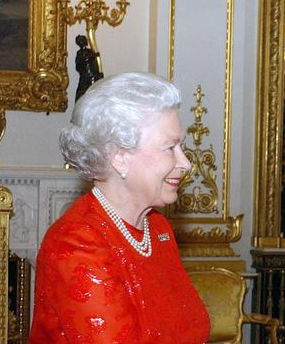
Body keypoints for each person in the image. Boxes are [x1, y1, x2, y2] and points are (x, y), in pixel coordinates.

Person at [29, 73, 210, 343]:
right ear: (120, 157)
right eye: (170, 148)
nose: (185, 163)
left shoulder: (158, 230)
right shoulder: (75, 245)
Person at [75, 35, 104, 101]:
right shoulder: (79, 53)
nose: (80, 43)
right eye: (79, 41)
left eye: (82, 41)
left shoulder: (91, 51)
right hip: (83, 78)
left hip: (92, 77)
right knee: (80, 95)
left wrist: (100, 73)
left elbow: (95, 64)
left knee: (93, 94)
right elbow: (77, 66)